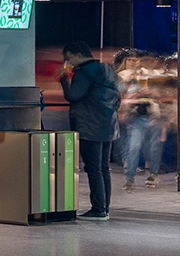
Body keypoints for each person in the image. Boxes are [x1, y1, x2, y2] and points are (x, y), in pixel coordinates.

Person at [61, 41, 120, 220]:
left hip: (90, 125)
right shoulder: (106, 70)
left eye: (68, 57)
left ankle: (98, 209)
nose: (67, 62)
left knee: (93, 168)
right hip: (107, 124)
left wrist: (64, 79)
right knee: (103, 167)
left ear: (78, 54)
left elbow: (73, 95)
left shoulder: (85, 72)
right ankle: (104, 208)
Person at [115, 51, 168, 190]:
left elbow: (165, 94)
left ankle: (153, 175)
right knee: (133, 147)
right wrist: (131, 99)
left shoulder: (157, 76)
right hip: (137, 116)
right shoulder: (128, 76)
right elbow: (121, 93)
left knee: (153, 148)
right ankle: (130, 178)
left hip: (155, 115)